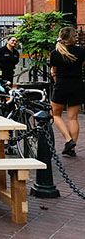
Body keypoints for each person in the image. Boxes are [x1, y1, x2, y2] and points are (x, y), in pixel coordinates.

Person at [50, 27, 85, 157]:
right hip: (77, 85)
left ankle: (68, 140)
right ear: (72, 37)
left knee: (56, 114)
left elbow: (54, 71)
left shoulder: (55, 53)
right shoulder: (81, 52)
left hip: (62, 85)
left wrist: (56, 80)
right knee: (73, 118)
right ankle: (72, 149)